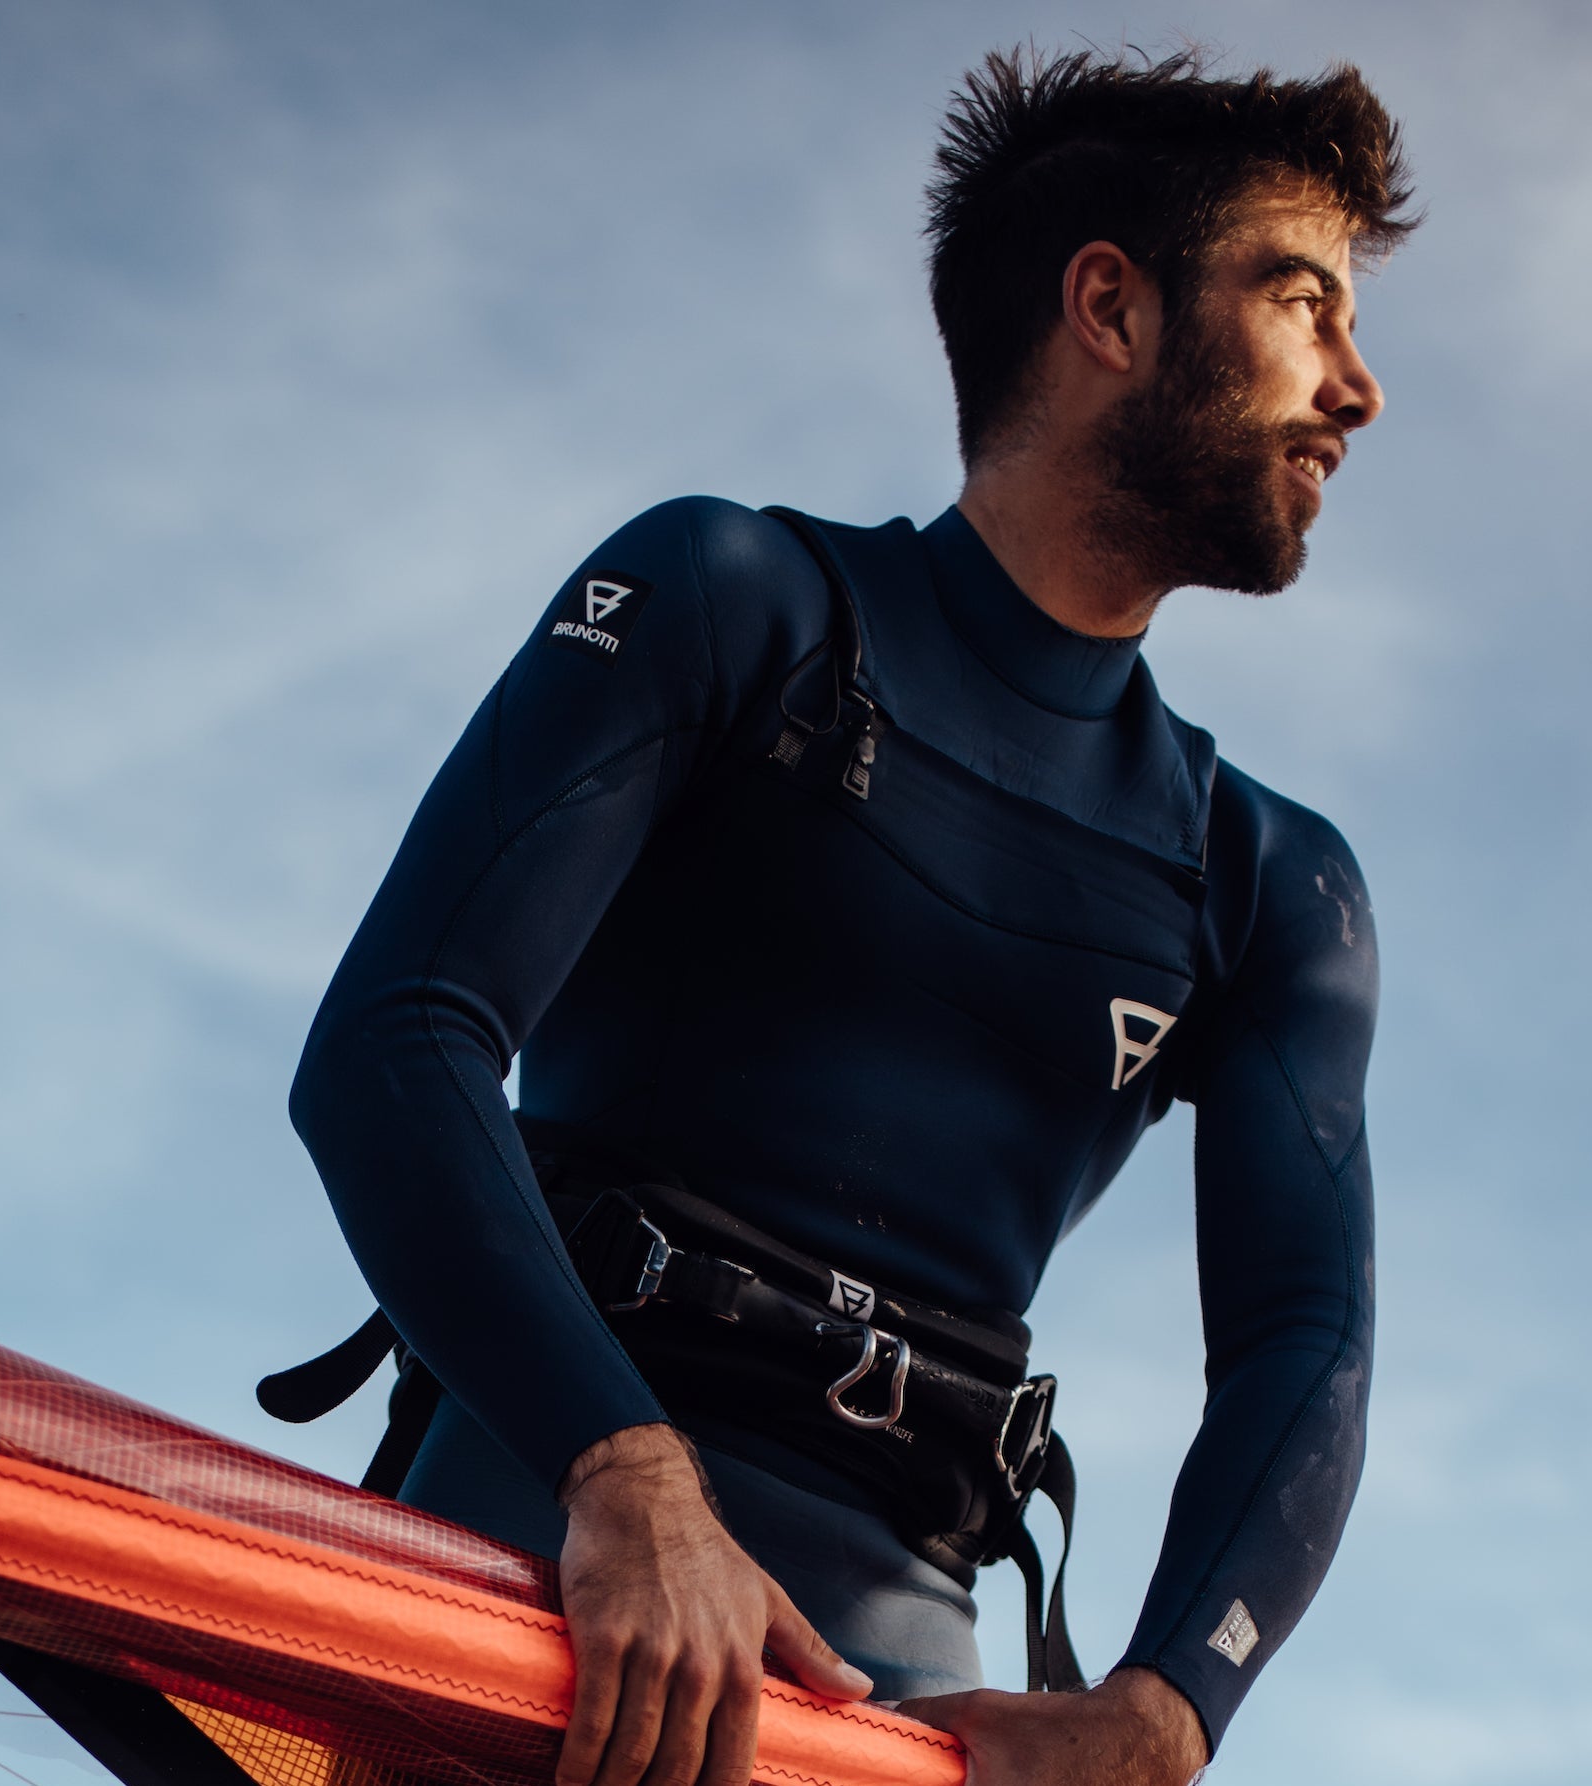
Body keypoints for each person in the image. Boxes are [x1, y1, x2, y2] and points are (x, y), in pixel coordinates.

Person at [285, 47, 1414, 1786]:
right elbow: (393, 1043)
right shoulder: (736, 604)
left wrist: (1168, 1707)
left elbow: (1304, 1341)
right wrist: (625, 1473)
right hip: (536, 1589)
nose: (1359, 386)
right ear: (1110, 308)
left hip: (889, 1704)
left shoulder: (1263, 878)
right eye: (1302, 301)